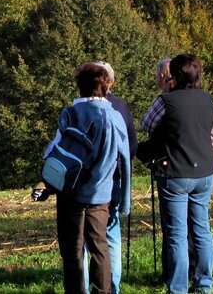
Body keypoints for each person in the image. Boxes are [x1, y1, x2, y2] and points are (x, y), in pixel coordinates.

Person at [40, 63, 130, 294]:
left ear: (79, 86)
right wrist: (126, 201)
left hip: (70, 192)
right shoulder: (115, 116)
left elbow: (56, 150)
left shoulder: (71, 113)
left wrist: (46, 181)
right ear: (105, 85)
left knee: (73, 250)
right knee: (100, 247)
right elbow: (126, 159)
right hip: (101, 193)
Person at [138, 54, 213, 294]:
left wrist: (165, 94)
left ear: (174, 75)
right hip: (204, 172)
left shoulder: (166, 101)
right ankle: (204, 284)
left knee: (176, 235)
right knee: (202, 229)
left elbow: (146, 124)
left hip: (175, 172)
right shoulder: (210, 101)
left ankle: (178, 287)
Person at [79, 61, 136, 294]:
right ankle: (112, 287)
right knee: (110, 235)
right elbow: (130, 147)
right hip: (112, 180)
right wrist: (125, 197)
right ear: (109, 82)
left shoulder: (74, 112)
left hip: (81, 185)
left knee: (81, 242)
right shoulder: (119, 109)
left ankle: (80, 286)